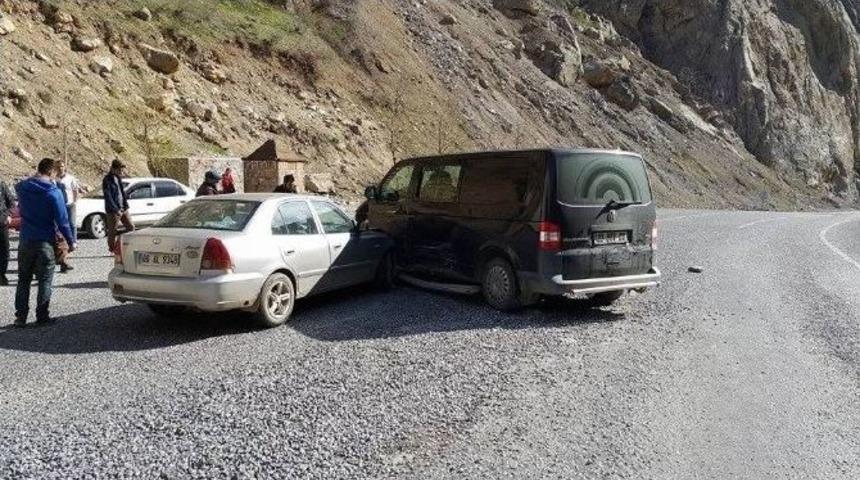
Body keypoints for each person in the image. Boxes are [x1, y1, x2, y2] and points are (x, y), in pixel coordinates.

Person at [14, 158, 76, 327]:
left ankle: (20, 317)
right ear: (51, 172)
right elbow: (62, 220)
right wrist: (71, 241)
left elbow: (18, 186)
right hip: (45, 241)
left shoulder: (23, 187)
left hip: (26, 239)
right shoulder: (53, 192)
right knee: (45, 280)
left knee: (23, 279)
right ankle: (42, 316)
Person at [102, 159, 134, 253]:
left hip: (123, 207)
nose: (121, 171)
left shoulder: (118, 178)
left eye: (121, 169)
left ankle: (129, 245)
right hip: (113, 210)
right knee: (113, 231)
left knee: (131, 227)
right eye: (119, 169)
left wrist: (125, 205)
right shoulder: (107, 180)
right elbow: (108, 196)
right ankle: (112, 249)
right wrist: (116, 210)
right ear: (113, 169)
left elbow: (121, 193)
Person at [0, 176, 16, 286]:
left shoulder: (2, 185)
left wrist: (9, 215)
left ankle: (1, 274)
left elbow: (11, 203)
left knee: (4, 250)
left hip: (2, 222)